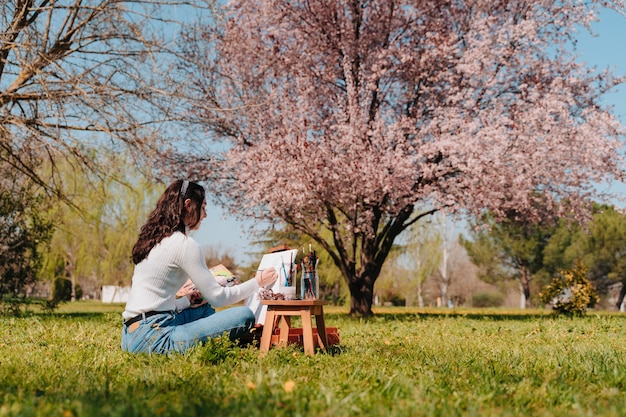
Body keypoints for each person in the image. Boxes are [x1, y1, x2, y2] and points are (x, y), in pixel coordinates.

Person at [121, 179, 278, 354]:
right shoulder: (185, 244)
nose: (205, 215)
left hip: (131, 334)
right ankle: (227, 339)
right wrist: (257, 282)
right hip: (154, 338)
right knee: (244, 316)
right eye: (203, 207)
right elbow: (218, 298)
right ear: (188, 205)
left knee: (202, 308)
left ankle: (219, 339)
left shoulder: (153, 240)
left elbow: (155, 301)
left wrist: (186, 301)